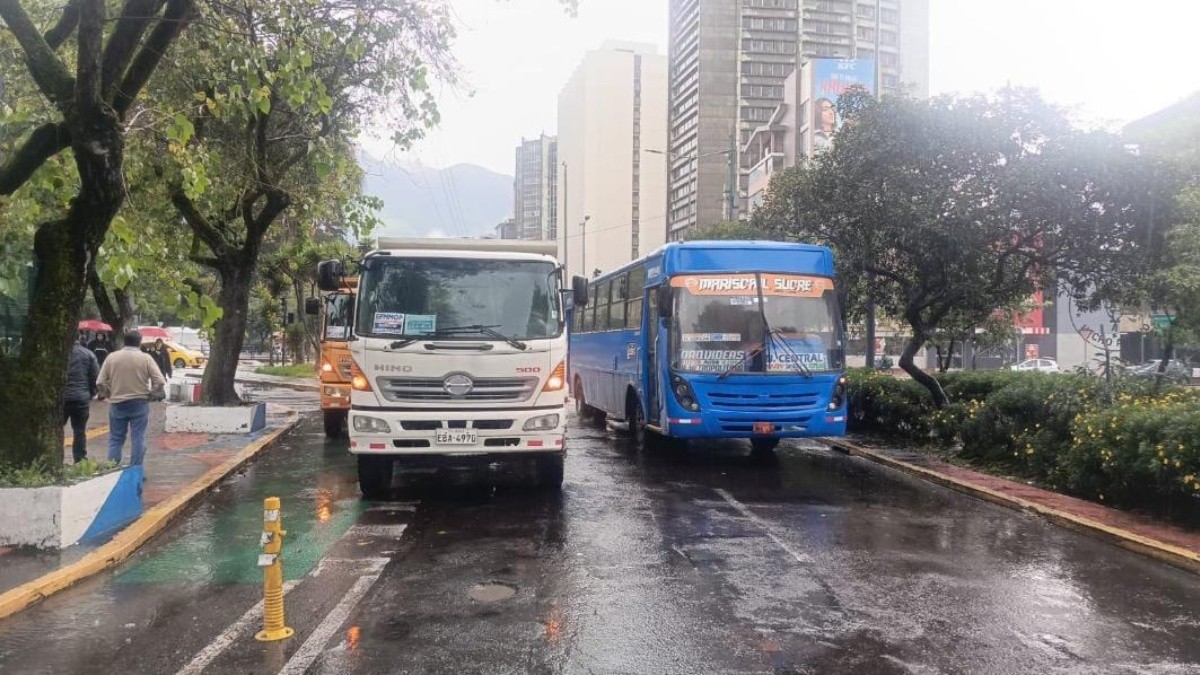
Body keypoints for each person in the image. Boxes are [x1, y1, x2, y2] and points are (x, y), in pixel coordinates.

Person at [97, 330, 166, 467]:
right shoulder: (146, 358)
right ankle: (135, 469)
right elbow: (160, 381)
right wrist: (151, 394)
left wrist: (108, 394)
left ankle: (112, 468)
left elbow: (100, 382)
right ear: (139, 342)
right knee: (138, 437)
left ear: (124, 341)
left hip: (117, 403)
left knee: (116, 438)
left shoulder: (112, 357)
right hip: (139, 403)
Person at [63, 340, 100, 463]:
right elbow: (95, 376)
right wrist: (91, 392)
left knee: (56, 428)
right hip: (81, 398)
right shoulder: (88, 354)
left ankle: (54, 459)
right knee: (79, 430)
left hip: (61, 398)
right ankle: (79, 459)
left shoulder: (59, 353)